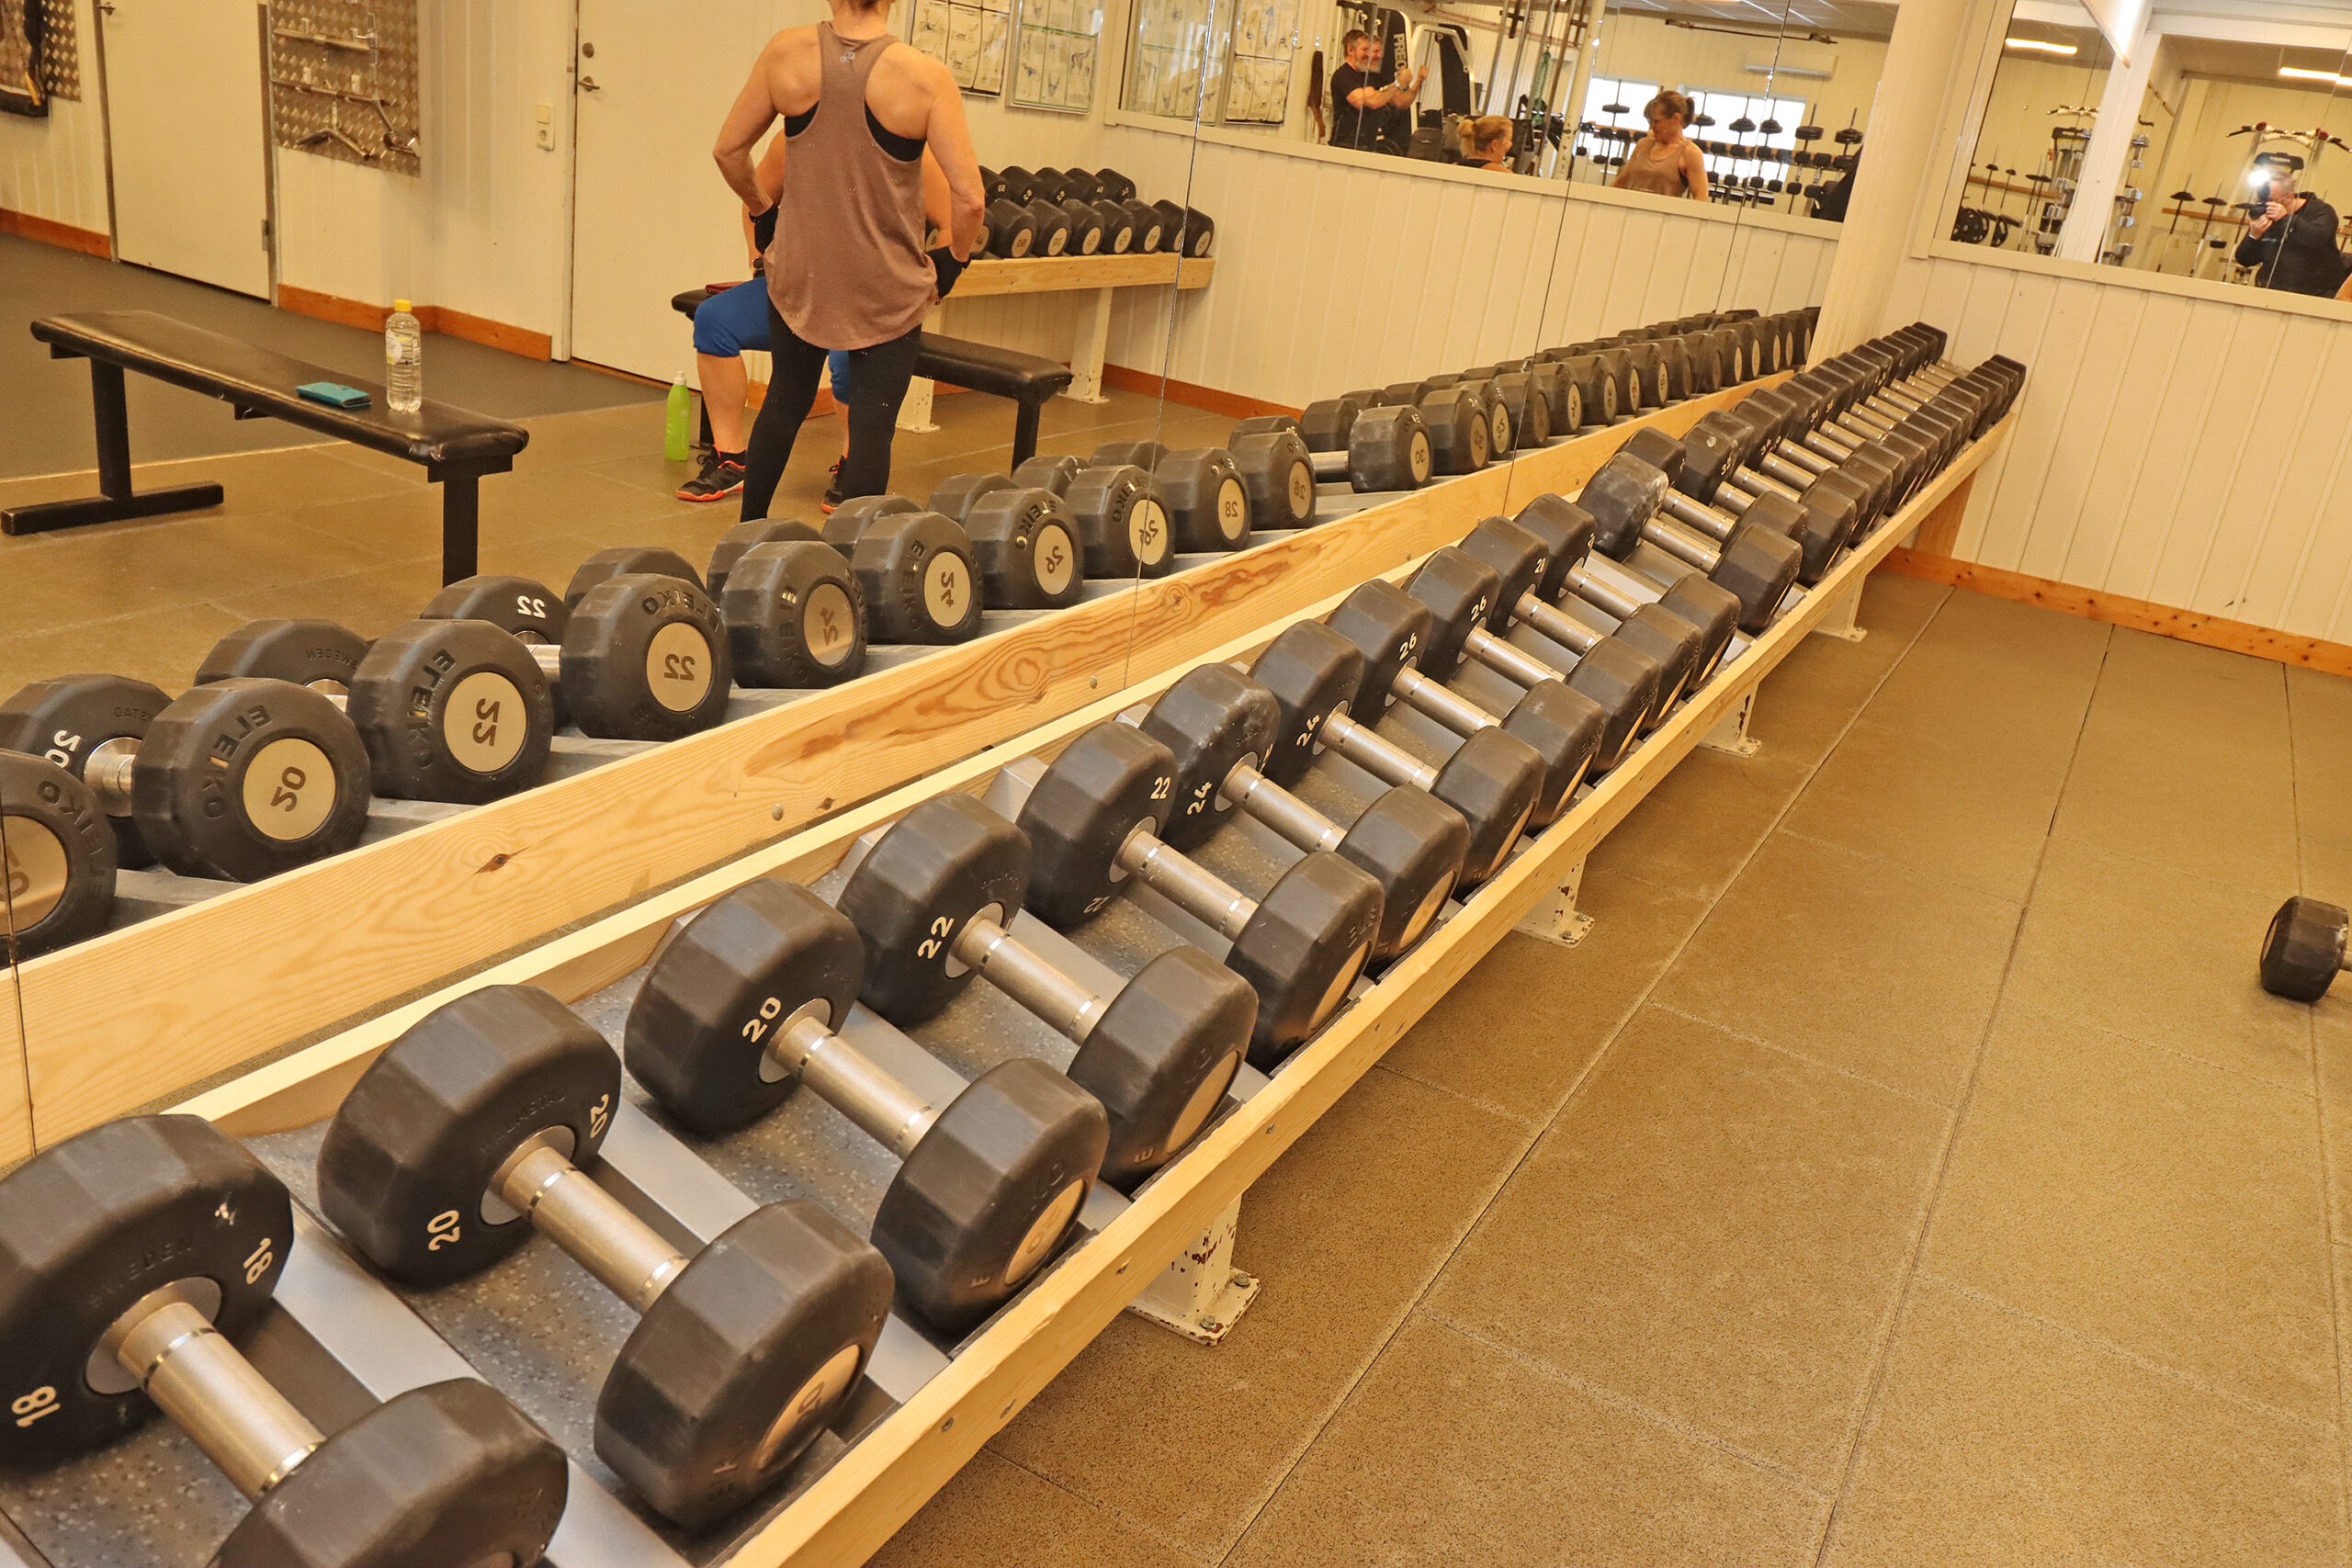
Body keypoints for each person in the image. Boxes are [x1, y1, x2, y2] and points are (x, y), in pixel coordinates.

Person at [714, 0, 984, 523]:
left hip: (801, 278)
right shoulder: (925, 77)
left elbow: (728, 151)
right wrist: (952, 263)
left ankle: (744, 541)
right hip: (886, 287)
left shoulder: (785, 54)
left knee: (783, 403)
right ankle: (856, 556)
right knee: (871, 428)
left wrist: (763, 212)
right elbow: (970, 200)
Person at [679, 137, 964, 505]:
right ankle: (731, 459)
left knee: (848, 362)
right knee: (713, 320)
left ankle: (852, 462)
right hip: (801, 290)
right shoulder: (793, 140)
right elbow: (754, 199)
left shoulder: (906, 146)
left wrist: (936, 280)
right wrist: (760, 261)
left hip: (869, 303)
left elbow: (957, 218)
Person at [2236, 174, 2347, 299]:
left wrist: (2286, 219)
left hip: (2314, 294)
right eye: (2262, 201)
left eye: (2272, 200)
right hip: (2271, 292)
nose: (2266, 205)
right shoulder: (2266, 215)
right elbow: (2244, 260)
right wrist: (2253, 236)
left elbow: (2317, 239)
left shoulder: (2321, 211)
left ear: (2289, 196)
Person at [1329, 29, 1420, 155]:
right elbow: (1371, 103)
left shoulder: (1374, 78)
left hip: (1369, 146)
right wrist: (1398, 84)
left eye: (1376, 51)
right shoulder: (1344, 75)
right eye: (1365, 49)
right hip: (1345, 146)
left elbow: (1400, 102)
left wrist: (1419, 81)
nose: (1374, 55)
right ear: (1350, 50)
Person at [1611, 89, 1709, 202]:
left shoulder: (1690, 153)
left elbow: (1702, 198)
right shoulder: (1643, 145)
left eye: (1657, 122)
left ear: (1676, 118)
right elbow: (1619, 183)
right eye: (1650, 122)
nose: (1652, 127)